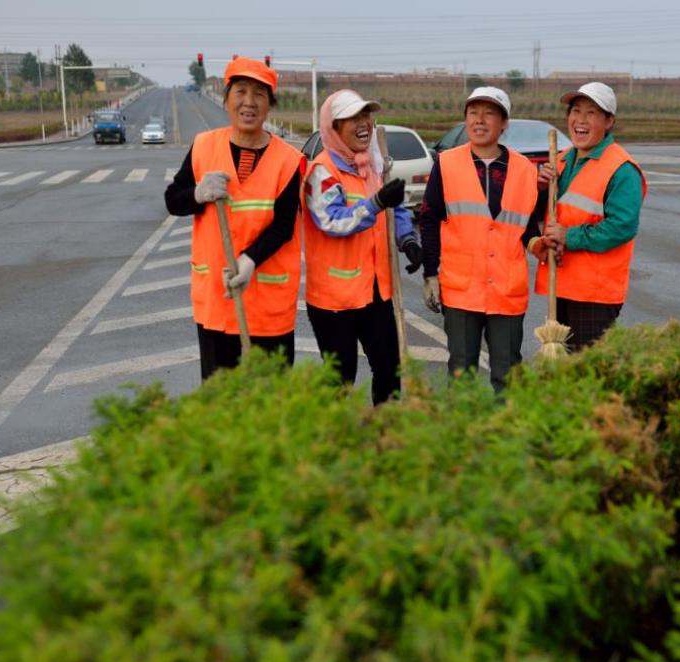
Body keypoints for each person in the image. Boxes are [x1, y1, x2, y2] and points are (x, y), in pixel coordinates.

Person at [165, 56, 303, 380]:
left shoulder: (288, 160)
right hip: (218, 299)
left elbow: (284, 226)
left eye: (259, 94)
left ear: (270, 104)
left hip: (269, 301)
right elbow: (173, 200)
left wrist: (251, 259)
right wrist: (197, 194)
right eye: (240, 92)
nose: (249, 102)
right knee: (220, 401)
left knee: (273, 400)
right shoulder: (203, 147)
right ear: (226, 98)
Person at [303, 89, 422, 405]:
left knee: (389, 370)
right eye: (352, 118)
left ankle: (384, 438)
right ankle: (335, 443)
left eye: (366, 116)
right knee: (340, 380)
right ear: (334, 127)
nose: (363, 124)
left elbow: (393, 209)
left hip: (375, 291)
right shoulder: (323, 170)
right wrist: (375, 204)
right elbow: (332, 221)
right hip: (334, 299)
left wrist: (407, 238)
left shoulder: (371, 166)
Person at [419, 86, 540, 393]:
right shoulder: (446, 165)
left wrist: (539, 245)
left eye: (489, 113)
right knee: (461, 372)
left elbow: (527, 229)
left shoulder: (525, 170)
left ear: (504, 123)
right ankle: (464, 437)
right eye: (473, 113)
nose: (480, 120)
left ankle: (504, 434)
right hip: (462, 290)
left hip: (506, 291)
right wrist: (430, 274)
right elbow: (430, 219)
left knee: (507, 372)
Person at [533, 82, 645, 352]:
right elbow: (541, 215)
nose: (580, 120)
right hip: (560, 285)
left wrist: (569, 236)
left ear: (609, 121)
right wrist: (540, 189)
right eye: (576, 111)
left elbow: (622, 227)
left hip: (595, 293)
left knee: (588, 373)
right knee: (561, 372)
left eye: (591, 113)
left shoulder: (621, 168)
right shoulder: (559, 161)